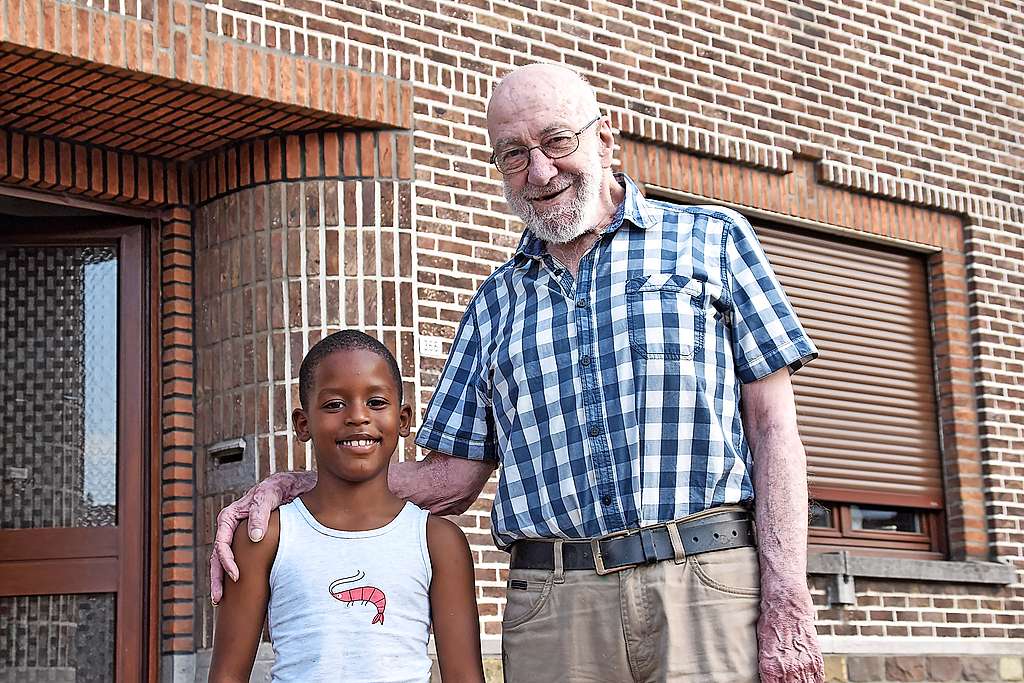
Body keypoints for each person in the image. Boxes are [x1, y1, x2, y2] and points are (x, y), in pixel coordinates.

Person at [211, 63, 825, 683]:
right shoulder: (493, 305)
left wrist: (787, 595)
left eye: (558, 142)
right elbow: (451, 479)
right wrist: (297, 488)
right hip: (555, 604)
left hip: (706, 581)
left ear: (606, 138)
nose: (539, 171)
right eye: (513, 155)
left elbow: (774, 432)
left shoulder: (711, 242)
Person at [207, 330, 484, 683]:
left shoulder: (439, 541)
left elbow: (464, 677)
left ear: (403, 421)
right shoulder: (265, 536)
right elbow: (227, 676)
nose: (357, 416)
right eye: (335, 404)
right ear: (303, 424)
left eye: (376, 403)